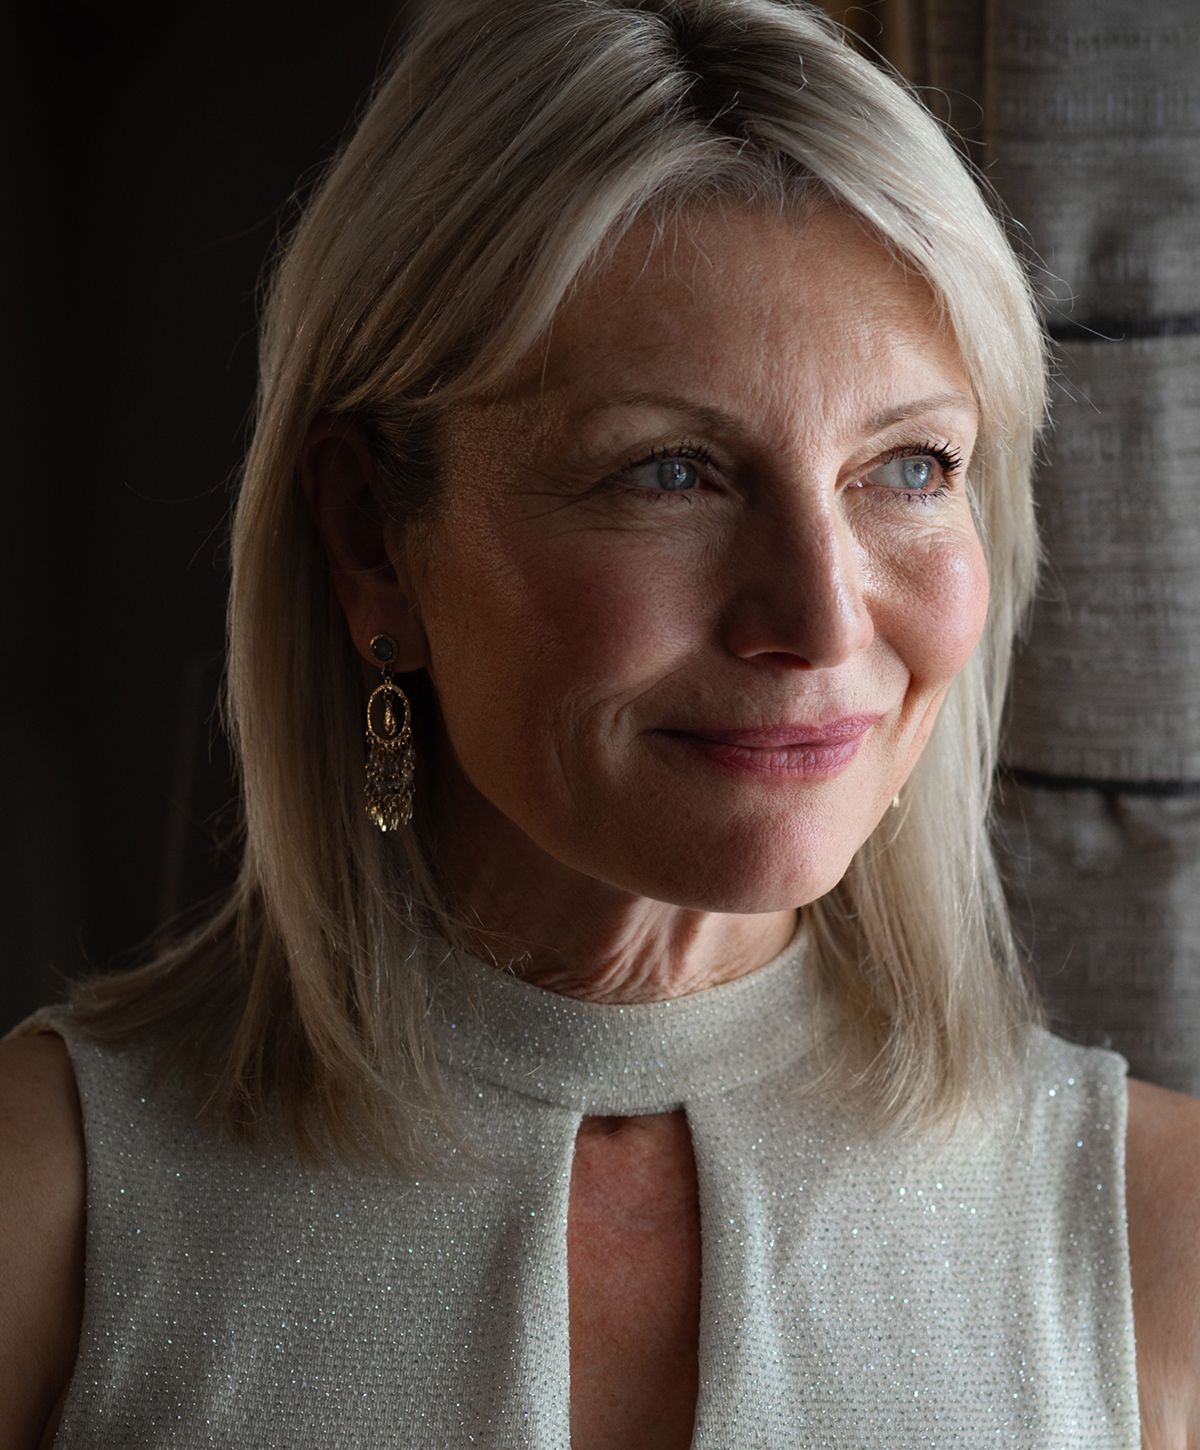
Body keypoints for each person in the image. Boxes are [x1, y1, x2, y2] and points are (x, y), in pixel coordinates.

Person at [2, 0, 1197, 1445]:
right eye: (674, 471)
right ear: (374, 534)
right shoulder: (45, 1210)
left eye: (910, 465)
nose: (821, 619)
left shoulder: (1160, 1248)